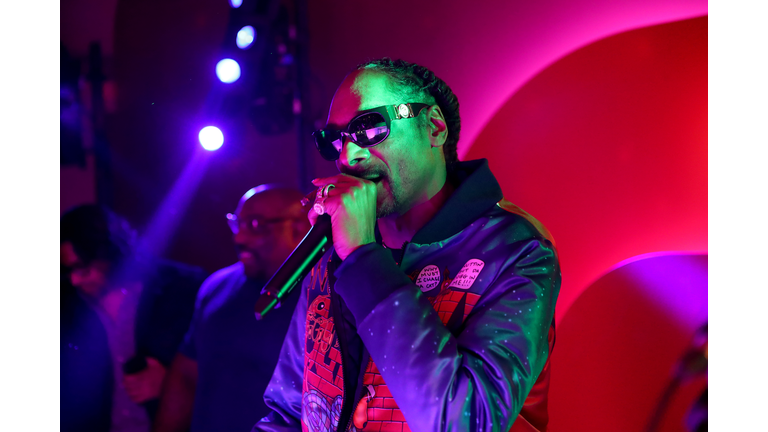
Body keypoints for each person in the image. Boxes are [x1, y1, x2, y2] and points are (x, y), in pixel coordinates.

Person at [254, 58, 561, 432]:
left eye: (369, 128)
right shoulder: (334, 249)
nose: (348, 156)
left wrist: (363, 259)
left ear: (434, 127)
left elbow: (465, 422)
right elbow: (289, 413)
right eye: (335, 139)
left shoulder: (516, 250)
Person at [154, 185, 310, 432]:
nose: (239, 238)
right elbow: (186, 375)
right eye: (237, 224)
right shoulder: (215, 286)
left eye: (256, 225)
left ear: (299, 227)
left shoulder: (324, 293)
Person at [61, 205, 207, 432]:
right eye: (67, 271)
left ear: (109, 251)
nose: (75, 280)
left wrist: (174, 384)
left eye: (83, 268)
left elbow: (225, 371)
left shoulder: (184, 289)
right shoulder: (70, 304)